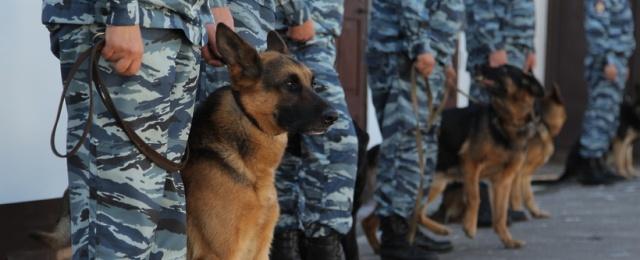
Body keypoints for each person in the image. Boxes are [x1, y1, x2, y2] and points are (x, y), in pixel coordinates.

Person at [42, 0, 230, 258]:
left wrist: (210, 8)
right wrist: (123, 12)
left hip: (179, 19)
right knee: (123, 217)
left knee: (165, 223)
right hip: (130, 18)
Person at [368, 0, 464, 259]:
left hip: (425, 59)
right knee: (405, 147)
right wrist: (421, 46)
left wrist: (445, 61)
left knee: (422, 147)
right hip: (403, 57)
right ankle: (395, 237)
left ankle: (410, 226)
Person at [268, 1, 359, 259]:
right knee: (336, 144)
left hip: (310, 33)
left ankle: (285, 246)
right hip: (294, 31)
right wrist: (298, 12)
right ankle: (323, 246)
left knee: (286, 146)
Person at [564, 0, 636, 185]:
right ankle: (589, 164)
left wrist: (623, 62)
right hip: (606, 63)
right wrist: (608, 60)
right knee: (599, 114)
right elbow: (596, 30)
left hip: (618, 62)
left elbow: (623, 30)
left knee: (610, 116)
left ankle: (601, 162)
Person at [465, 0, 537, 103]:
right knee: (488, 110)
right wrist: (495, 47)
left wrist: (530, 48)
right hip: (493, 52)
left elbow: (526, 8)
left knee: (510, 111)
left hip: (517, 54)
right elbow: (482, 9)